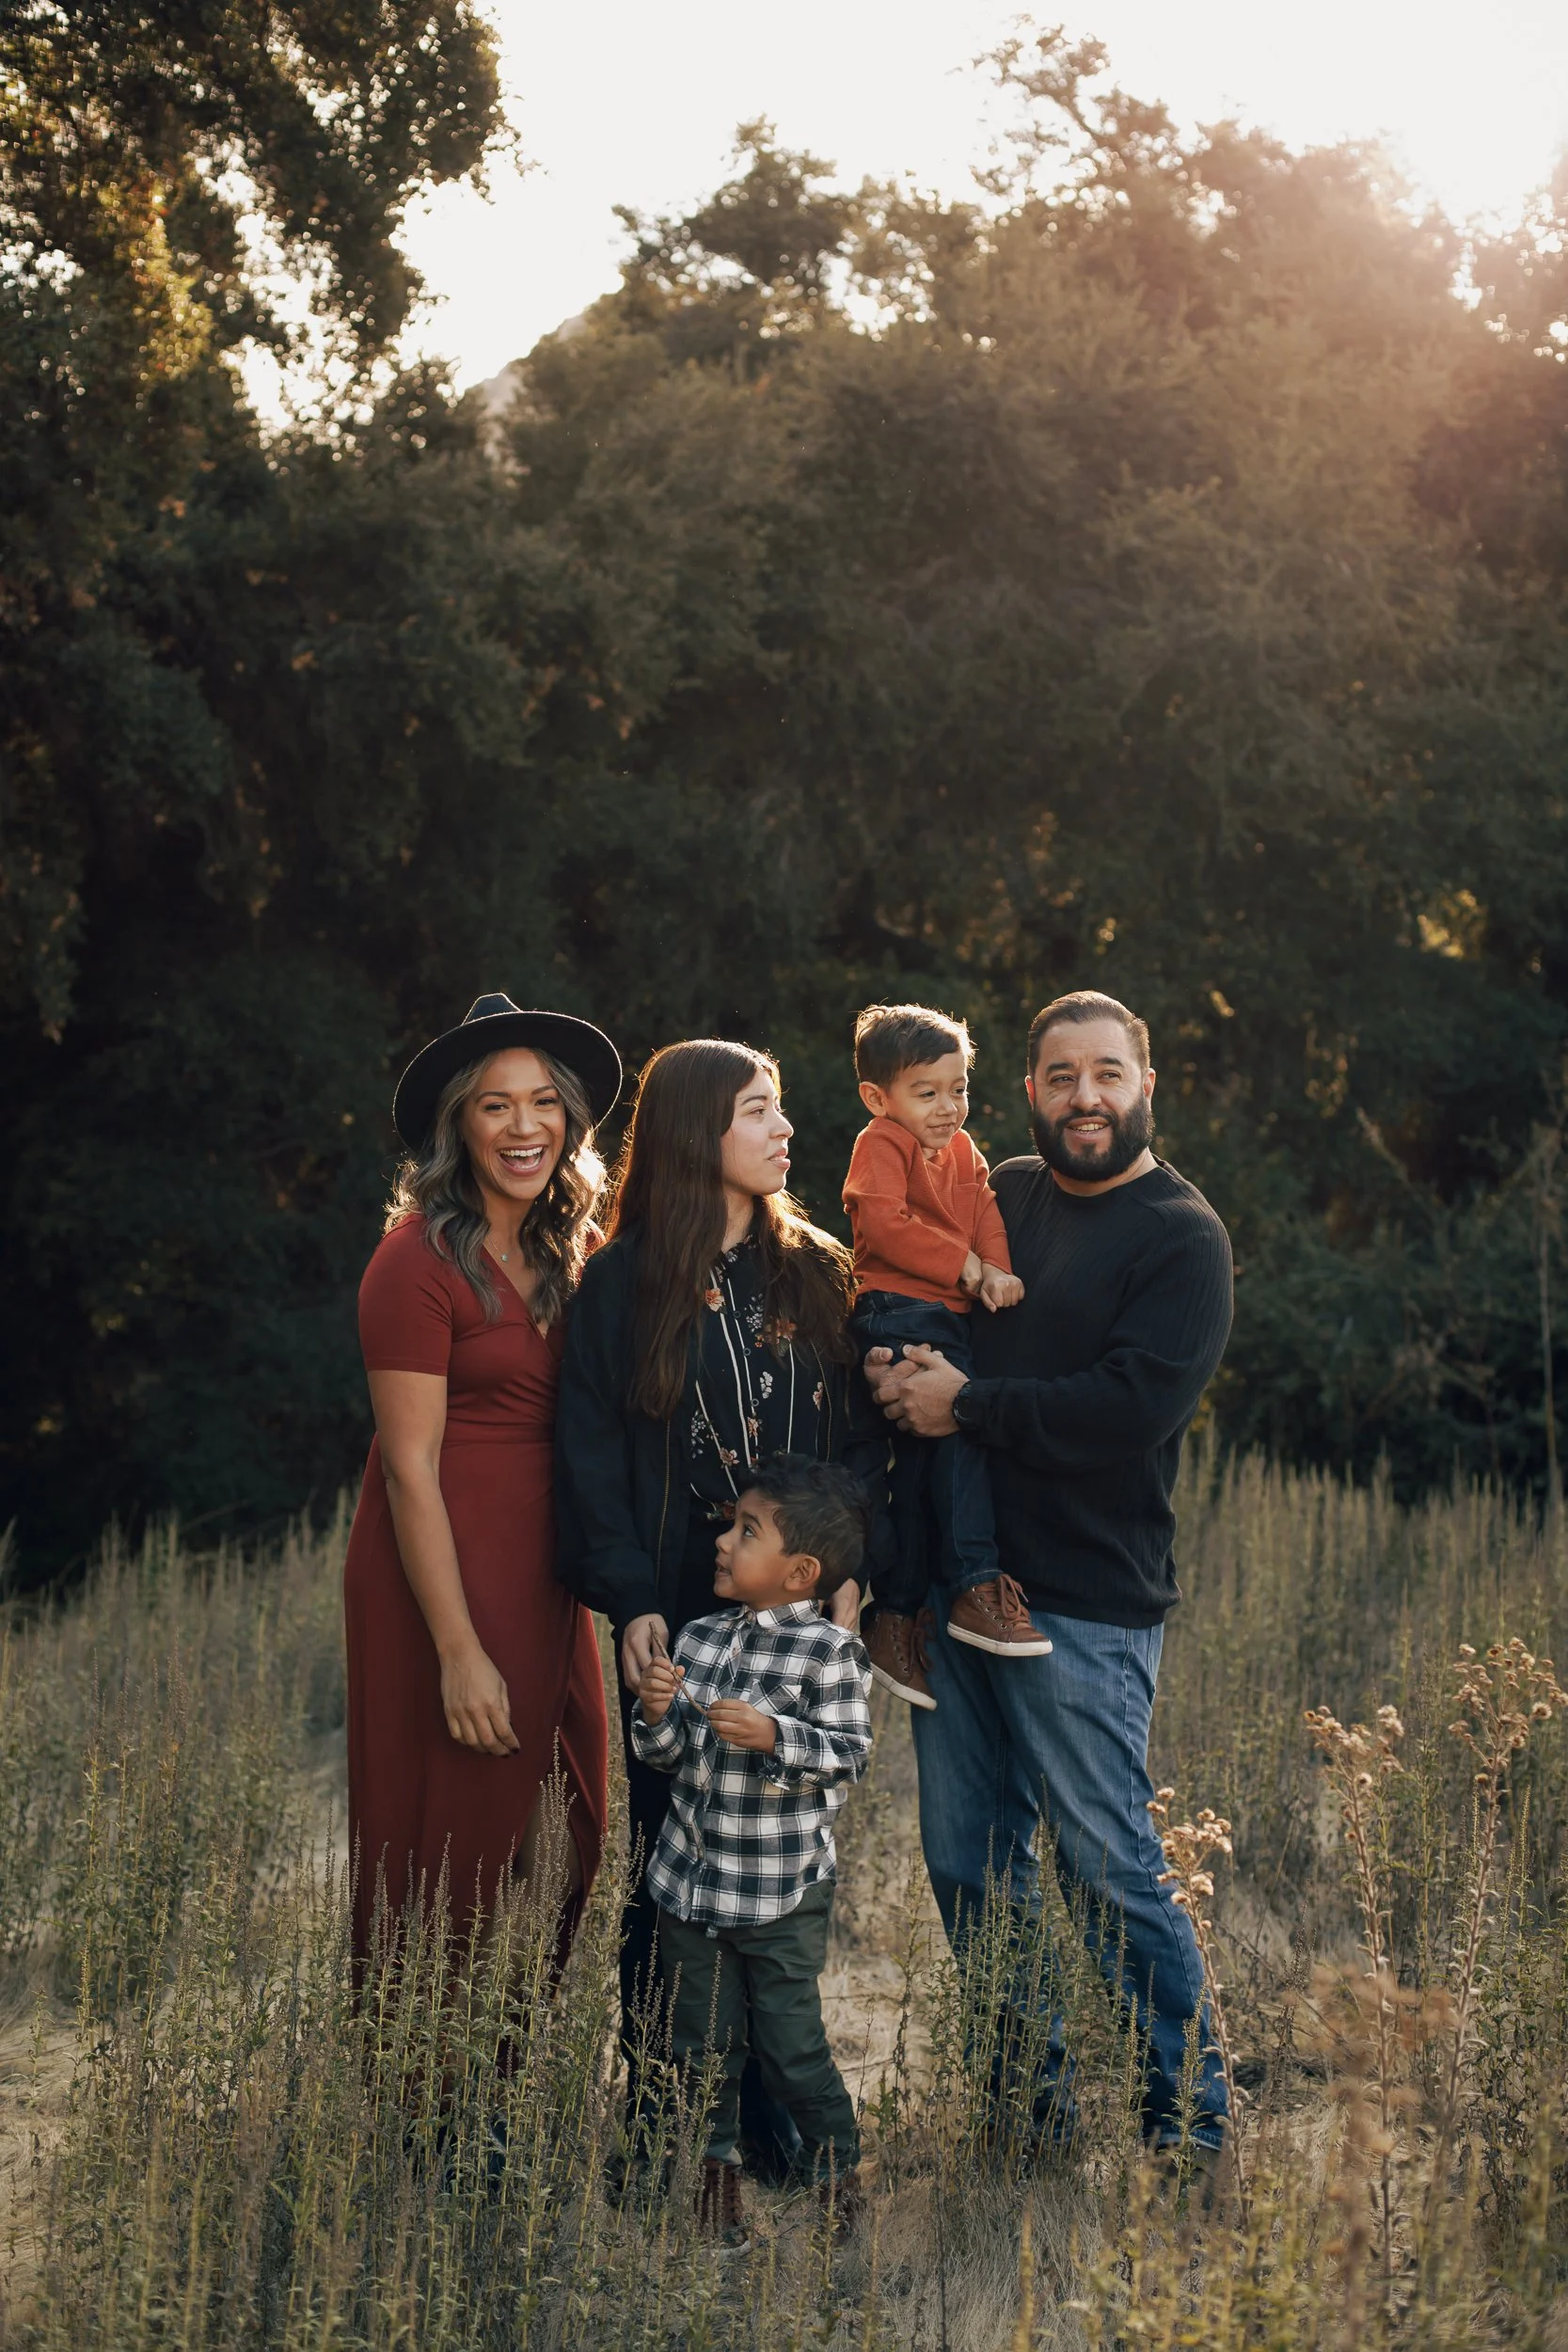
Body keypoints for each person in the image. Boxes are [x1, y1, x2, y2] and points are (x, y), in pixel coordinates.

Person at [865, 990, 1234, 2157]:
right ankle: (1030, 2119)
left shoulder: (1180, 1236)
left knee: (1106, 1867)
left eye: (1107, 1074)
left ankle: (1188, 2130)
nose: (1085, 1097)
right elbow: (899, 1268)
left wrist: (961, 1401)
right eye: (1061, 1075)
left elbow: (1127, 1410)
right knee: (967, 1866)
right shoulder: (1000, 1189)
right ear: (1027, 1089)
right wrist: (893, 1370)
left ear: (1144, 1085)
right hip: (953, 1591)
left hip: (1082, 1601)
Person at [554, 1036, 891, 2174]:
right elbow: (592, 1453)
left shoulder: (817, 1271)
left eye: (782, 1107)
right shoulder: (621, 1278)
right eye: (760, 1109)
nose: (784, 1129)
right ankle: (671, 2125)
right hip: (678, 1619)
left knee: (780, 1871)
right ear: (702, 1131)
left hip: (799, 1621)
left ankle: (777, 2115)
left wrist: (847, 1575)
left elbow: (857, 1443)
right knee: (671, 1873)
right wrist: (630, 1600)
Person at [343, 993, 621, 1972]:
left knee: (569, 1823)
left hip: (546, 1570)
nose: (523, 1126)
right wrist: (457, 1649)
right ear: (459, 1122)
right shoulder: (411, 1261)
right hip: (442, 1572)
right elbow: (408, 1471)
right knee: (451, 1835)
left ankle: (508, 2072)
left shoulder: (570, 1249)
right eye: (496, 1105)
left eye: (543, 1102)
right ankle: (421, 2103)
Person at [632, 1454, 873, 2249]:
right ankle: (715, 2195)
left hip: (777, 1892)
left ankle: (842, 2182)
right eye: (731, 1526)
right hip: (690, 1886)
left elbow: (849, 1753)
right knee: (698, 2050)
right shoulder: (698, 1638)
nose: (725, 1542)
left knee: (791, 2046)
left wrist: (777, 1736)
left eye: (747, 1531)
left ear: (799, 1571)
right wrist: (659, 1713)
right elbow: (666, 1758)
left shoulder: (827, 1655)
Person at [843, 1001, 1037, 1715]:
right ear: (879, 1097)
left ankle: (896, 1616)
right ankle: (970, 1584)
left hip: (947, 1317)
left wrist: (997, 1264)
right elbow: (884, 1223)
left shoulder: (962, 1149)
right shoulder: (880, 1144)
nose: (947, 1106)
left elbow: (983, 1207)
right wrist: (967, 1270)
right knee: (954, 1445)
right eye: (926, 1092)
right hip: (896, 1310)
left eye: (956, 1088)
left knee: (929, 1469)